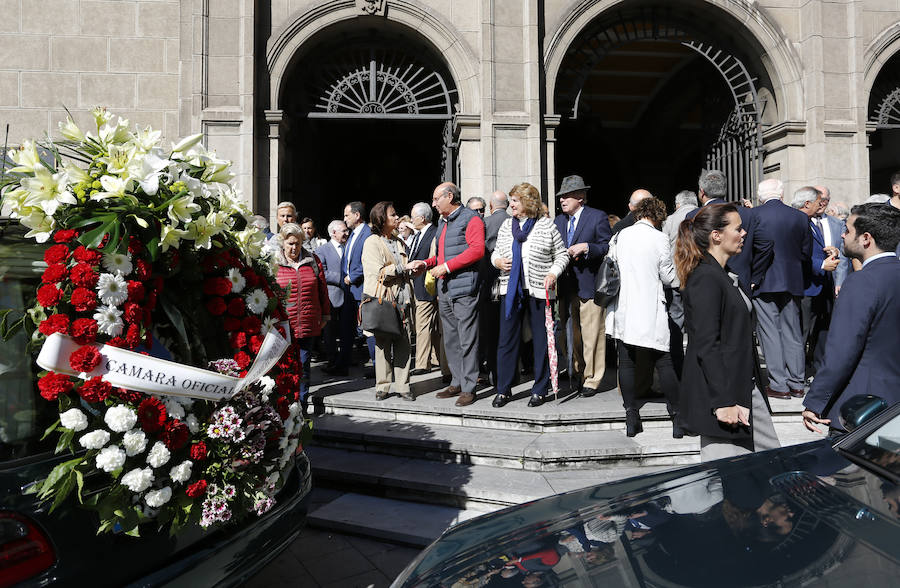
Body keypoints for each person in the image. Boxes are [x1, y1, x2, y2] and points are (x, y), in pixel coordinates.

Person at [675, 203, 780, 461]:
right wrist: (723, 401)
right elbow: (706, 343)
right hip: (724, 395)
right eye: (738, 228)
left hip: (743, 387)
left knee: (767, 469)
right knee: (728, 482)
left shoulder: (726, 274)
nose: (744, 233)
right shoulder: (706, 277)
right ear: (716, 235)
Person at [802, 203, 900, 434]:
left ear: (866, 238)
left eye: (846, 230)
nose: (842, 235)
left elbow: (841, 350)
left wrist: (815, 401)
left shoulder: (862, 282)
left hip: (864, 408)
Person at [605, 196, 680, 437]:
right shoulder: (659, 238)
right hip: (650, 307)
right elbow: (668, 277)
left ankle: (631, 417)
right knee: (664, 361)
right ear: (657, 217)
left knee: (626, 362)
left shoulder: (620, 235)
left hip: (624, 307)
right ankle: (677, 419)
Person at [491, 182, 569, 408]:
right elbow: (495, 252)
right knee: (506, 340)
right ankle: (503, 389)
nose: (511, 204)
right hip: (510, 290)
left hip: (538, 290)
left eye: (515, 200)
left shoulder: (546, 226)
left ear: (528, 202)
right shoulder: (507, 226)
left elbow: (561, 254)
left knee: (541, 340)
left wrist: (553, 273)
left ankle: (540, 389)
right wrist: (497, 261)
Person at [424, 182, 486, 407]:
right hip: (445, 289)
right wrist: (425, 263)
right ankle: (457, 381)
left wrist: (447, 267)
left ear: (449, 196)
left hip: (464, 289)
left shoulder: (472, 219)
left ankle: (469, 387)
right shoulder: (443, 222)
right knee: (451, 339)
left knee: (467, 339)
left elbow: (477, 250)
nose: (433, 204)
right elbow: (440, 256)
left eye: (436, 199)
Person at [751, 179, 811, 400]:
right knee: (793, 332)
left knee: (770, 333)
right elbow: (806, 253)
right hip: (792, 280)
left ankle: (779, 384)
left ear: (760, 195)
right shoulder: (800, 217)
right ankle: (797, 383)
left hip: (764, 280)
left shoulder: (754, 216)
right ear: (782, 194)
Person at [552, 174, 611, 397]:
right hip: (566, 288)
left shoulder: (597, 217)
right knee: (570, 336)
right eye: (561, 197)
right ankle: (576, 371)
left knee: (592, 334)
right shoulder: (558, 221)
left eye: (566, 196)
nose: (562, 200)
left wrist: (587, 247)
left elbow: (607, 247)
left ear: (580, 197)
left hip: (589, 285)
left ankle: (592, 379)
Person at [361, 201, 424, 401]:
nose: (397, 218)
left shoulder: (399, 241)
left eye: (397, 214)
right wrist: (403, 268)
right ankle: (383, 386)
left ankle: (403, 386)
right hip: (385, 299)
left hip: (403, 297)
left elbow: (403, 269)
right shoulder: (372, 242)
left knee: (404, 342)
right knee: (382, 343)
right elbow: (376, 272)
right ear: (381, 219)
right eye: (393, 215)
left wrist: (413, 270)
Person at [274, 223, 330, 416]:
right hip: (283, 326)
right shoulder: (274, 262)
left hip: (308, 322)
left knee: (304, 366)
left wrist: (325, 314)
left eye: (297, 244)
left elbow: (322, 289)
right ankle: (285, 407)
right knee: (284, 368)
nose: (294, 248)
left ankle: (302, 408)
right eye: (290, 244)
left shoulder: (312, 260)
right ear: (283, 243)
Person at [792, 186, 840, 385]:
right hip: (806, 286)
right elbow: (797, 254)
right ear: (807, 203)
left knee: (822, 330)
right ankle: (798, 373)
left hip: (824, 286)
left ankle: (817, 367)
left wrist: (831, 253)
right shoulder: (798, 221)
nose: (822, 204)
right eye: (818, 200)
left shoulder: (819, 222)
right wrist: (821, 264)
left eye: (824, 200)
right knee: (802, 332)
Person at [407, 201, 447, 377]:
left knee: (423, 327)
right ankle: (436, 359)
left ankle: (423, 363)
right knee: (431, 325)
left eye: (413, 217)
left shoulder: (434, 233)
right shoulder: (418, 235)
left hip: (428, 286)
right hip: (418, 286)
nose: (411, 220)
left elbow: (434, 259)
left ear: (422, 218)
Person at [479, 190, 511, 385]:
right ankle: (512, 372)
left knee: (490, 330)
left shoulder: (485, 223)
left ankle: (493, 371)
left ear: (491, 206)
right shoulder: (514, 222)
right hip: (511, 280)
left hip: (489, 281)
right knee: (510, 328)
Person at [343, 201, 375, 371]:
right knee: (348, 329)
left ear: (357, 215)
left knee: (368, 329)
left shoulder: (367, 234)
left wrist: (352, 277)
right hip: (349, 291)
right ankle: (343, 364)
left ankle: (378, 366)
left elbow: (368, 259)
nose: (344, 219)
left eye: (347, 215)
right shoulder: (353, 234)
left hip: (361, 288)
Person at [316, 220, 350, 374]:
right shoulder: (322, 250)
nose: (346, 233)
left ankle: (345, 358)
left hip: (348, 296)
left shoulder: (348, 247)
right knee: (330, 331)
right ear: (333, 233)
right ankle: (332, 359)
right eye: (343, 231)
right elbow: (321, 271)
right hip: (332, 296)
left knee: (346, 329)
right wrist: (342, 278)